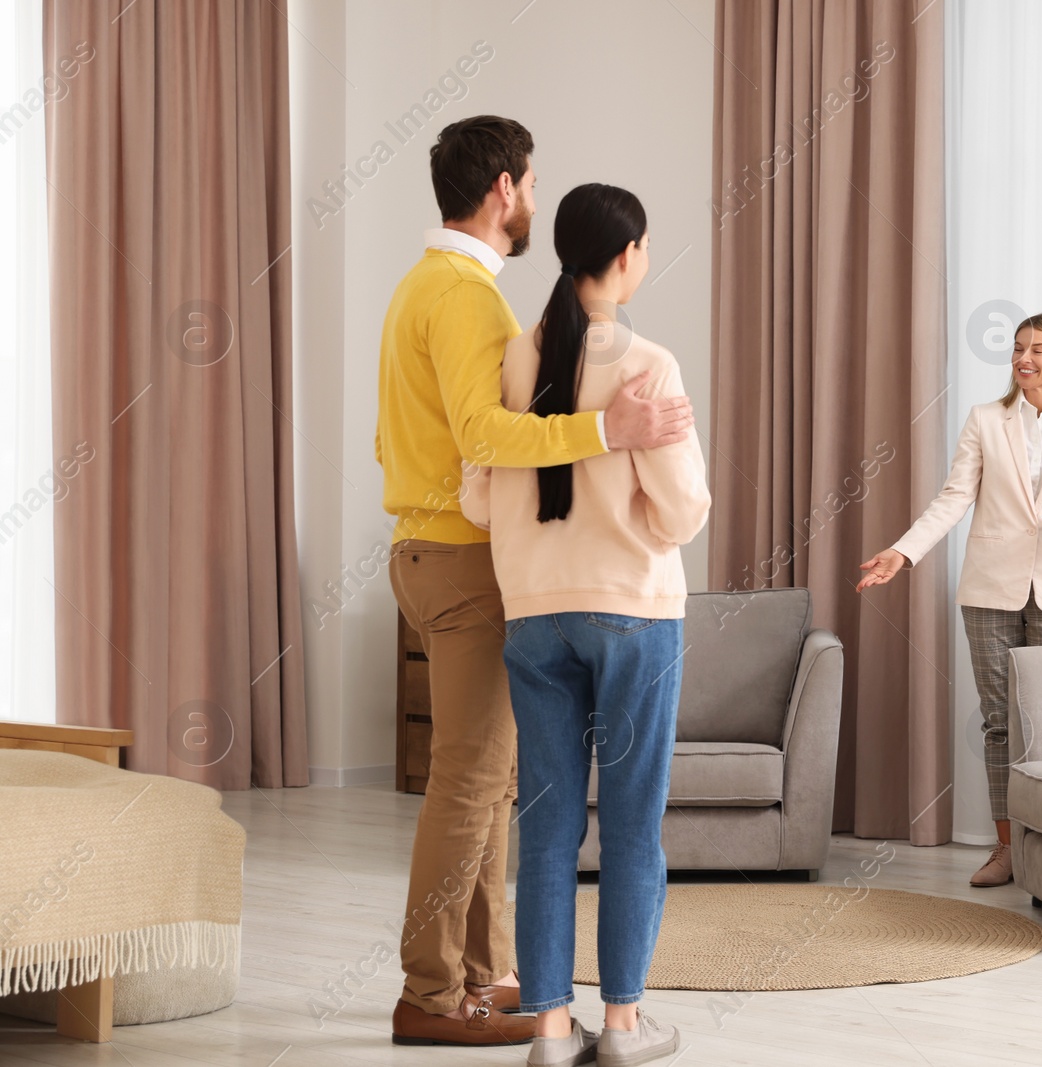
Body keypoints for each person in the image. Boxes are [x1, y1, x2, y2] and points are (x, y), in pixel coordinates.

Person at [377, 117, 694, 1048]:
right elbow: (487, 440)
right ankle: (434, 992)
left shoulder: (419, 290)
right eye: (528, 178)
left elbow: (443, 453)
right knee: (475, 784)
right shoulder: (477, 302)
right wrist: (609, 434)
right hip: (487, 573)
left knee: (510, 790)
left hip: (445, 556)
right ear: (506, 191)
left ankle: (506, 983)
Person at [460, 183, 710, 1067]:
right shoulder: (652, 366)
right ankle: (627, 1028)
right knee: (633, 827)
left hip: (534, 614)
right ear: (628, 254)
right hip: (634, 613)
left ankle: (551, 1032)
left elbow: (477, 498)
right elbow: (683, 515)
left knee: (547, 828)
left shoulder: (512, 360)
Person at [857, 313, 1042, 887]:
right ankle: (1007, 849)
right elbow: (954, 498)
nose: (1024, 358)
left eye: (1038, 349)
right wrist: (903, 553)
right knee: (1000, 723)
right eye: (1018, 348)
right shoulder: (986, 419)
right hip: (989, 587)